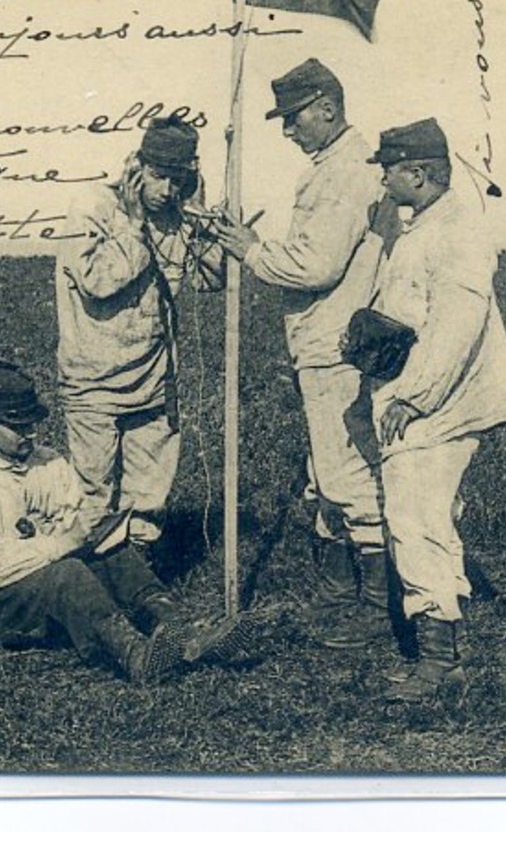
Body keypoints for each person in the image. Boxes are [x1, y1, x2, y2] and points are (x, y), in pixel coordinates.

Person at [211, 59, 390, 648]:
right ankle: (340, 591)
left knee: (346, 474)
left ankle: (376, 603)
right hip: (329, 340)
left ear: (327, 108)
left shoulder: (344, 173)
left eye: (293, 118)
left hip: (336, 343)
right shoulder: (341, 165)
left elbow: (315, 264)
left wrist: (252, 250)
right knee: (327, 471)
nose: (288, 130)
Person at [0, 361, 249, 684]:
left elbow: (72, 520)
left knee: (115, 553)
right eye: (18, 426)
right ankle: (135, 655)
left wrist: (91, 533)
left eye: (33, 423)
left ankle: (179, 629)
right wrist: (62, 541)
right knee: (67, 574)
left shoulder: (48, 461)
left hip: (31, 575)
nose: (31, 433)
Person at [362, 119, 506, 703]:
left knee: (415, 519)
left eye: (389, 169)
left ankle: (437, 663)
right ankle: (447, 644)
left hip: (440, 402)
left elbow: (455, 326)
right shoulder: (428, 224)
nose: (382, 179)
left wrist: (415, 396)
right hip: (426, 396)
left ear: (419, 174)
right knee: (426, 517)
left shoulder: (458, 231)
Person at [55, 116, 224, 555]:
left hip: (153, 381)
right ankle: (95, 591)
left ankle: (142, 583)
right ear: (136, 169)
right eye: (160, 178)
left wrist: (201, 221)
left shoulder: (174, 216)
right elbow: (97, 281)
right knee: (95, 496)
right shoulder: (91, 206)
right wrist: (132, 227)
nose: (167, 190)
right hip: (94, 382)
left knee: (147, 497)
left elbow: (210, 280)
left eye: (178, 180)